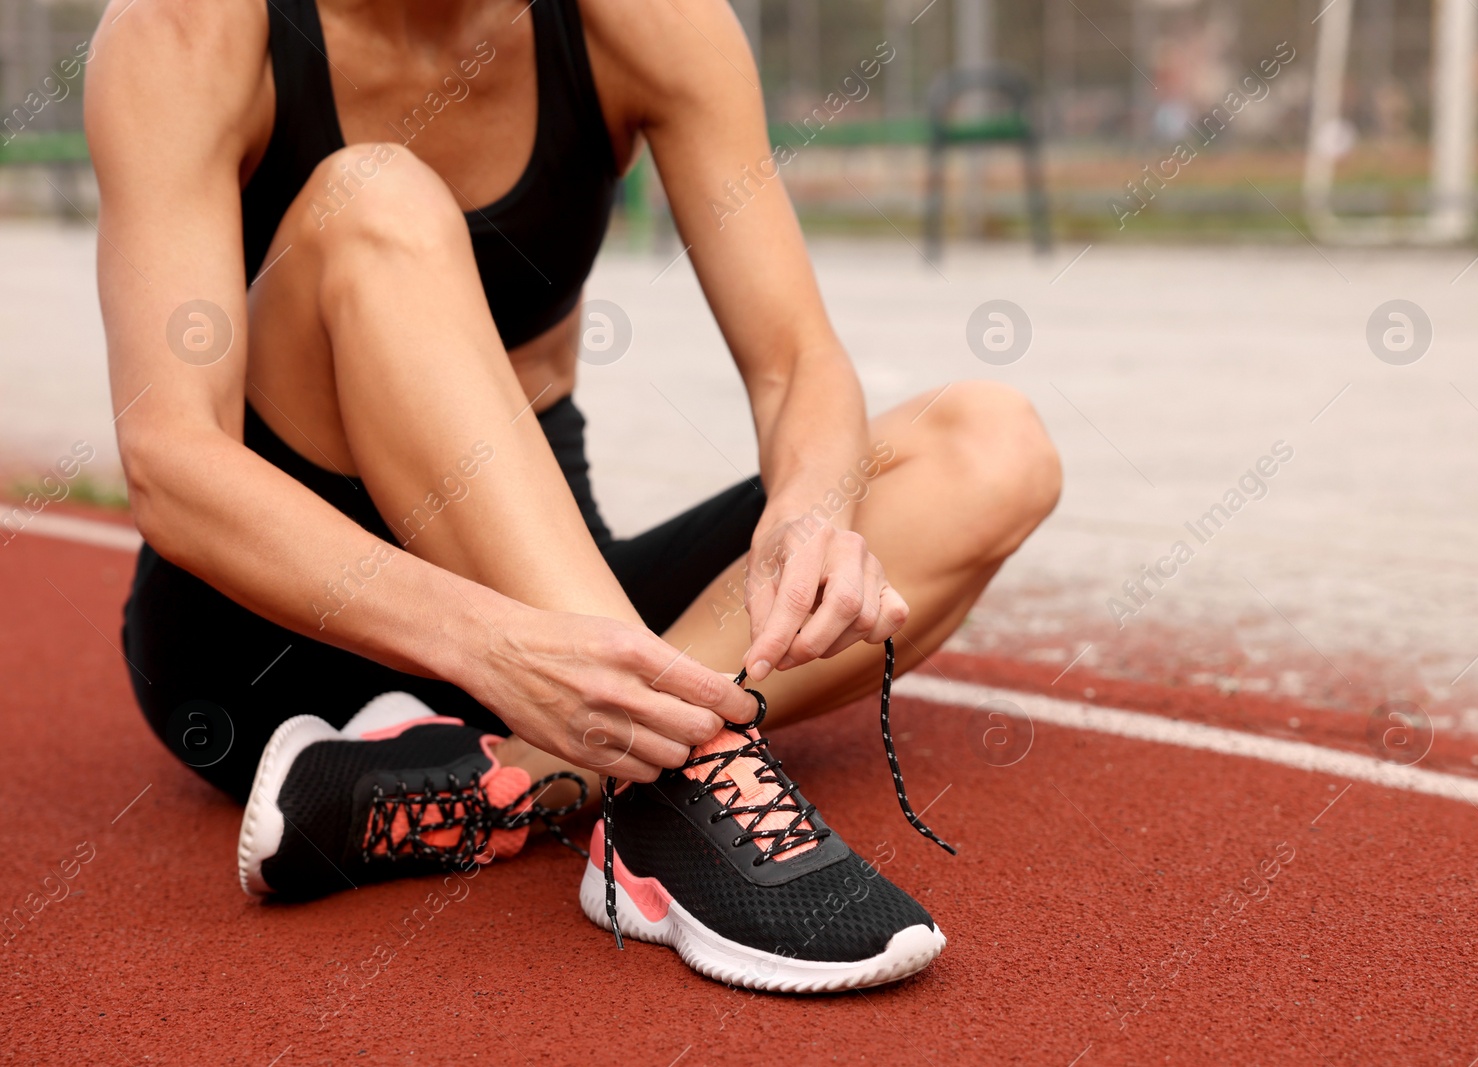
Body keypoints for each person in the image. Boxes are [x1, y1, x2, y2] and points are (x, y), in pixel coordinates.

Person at [87, 0, 1060, 991]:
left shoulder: (642, 21)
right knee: (371, 196)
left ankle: (526, 779)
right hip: (269, 642)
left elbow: (795, 359)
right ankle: (687, 774)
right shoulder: (192, 27)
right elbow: (170, 459)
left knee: (990, 448)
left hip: (553, 613)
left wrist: (813, 512)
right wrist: (487, 642)